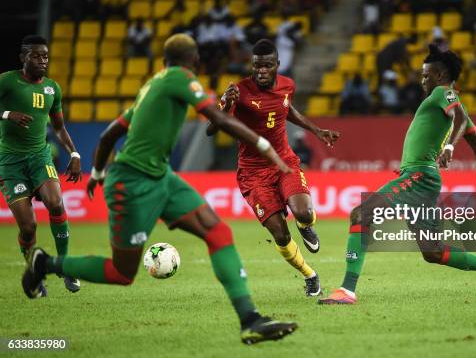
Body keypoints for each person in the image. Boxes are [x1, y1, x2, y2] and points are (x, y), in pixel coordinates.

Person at [21, 34, 298, 345]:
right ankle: (45, 263)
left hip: (161, 177)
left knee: (218, 232)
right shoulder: (180, 78)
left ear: (164, 62)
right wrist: (264, 146)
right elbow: (217, 117)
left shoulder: (152, 86)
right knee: (121, 273)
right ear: (193, 63)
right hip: (132, 182)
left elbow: (110, 135)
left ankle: (250, 320)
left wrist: (97, 172)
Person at [320, 45, 476, 305]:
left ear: (441, 75)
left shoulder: (442, 93)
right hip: (421, 176)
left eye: (427, 75)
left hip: (420, 176)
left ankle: (347, 290)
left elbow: (455, 116)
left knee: (361, 213)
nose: (423, 80)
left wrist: (448, 147)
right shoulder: (457, 109)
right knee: (433, 252)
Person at [206, 39, 340, 297]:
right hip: (253, 173)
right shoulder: (240, 92)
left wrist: (316, 129)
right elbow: (211, 130)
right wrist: (225, 104)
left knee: (303, 211)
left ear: (277, 65)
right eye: (257, 66)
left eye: (267, 65)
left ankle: (306, 225)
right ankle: (310, 275)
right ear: (252, 66)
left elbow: (286, 109)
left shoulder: (288, 85)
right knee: (279, 232)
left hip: (283, 161)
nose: (261, 71)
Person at [0, 35, 82, 295]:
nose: (43, 60)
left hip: (40, 157)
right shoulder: (7, 81)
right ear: (23, 57)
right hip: (10, 162)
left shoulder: (52, 89)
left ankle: (64, 266)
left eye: (46, 56)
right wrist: (6, 114)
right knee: (28, 226)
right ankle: (35, 273)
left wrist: (74, 154)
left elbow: (58, 127)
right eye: (37, 56)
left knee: (56, 202)